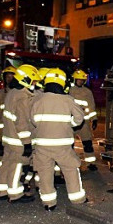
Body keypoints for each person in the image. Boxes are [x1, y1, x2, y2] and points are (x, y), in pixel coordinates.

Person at [31, 68, 87, 210]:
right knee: (70, 170)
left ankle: (49, 203)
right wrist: (70, 124)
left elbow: (33, 120)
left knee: (45, 173)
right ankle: (78, 199)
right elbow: (80, 118)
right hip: (63, 145)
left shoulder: (38, 99)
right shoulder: (68, 100)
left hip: (42, 144)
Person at [0, 64, 40, 202]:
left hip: (9, 137)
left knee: (6, 164)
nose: (34, 84)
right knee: (16, 167)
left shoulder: (12, 93)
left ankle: (3, 191)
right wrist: (27, 143)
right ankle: (15, 194)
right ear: (25, 80)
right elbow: (22, 123)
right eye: (33, 81)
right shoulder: (23, 97)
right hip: (18, 141)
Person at [69, 69, 98, 170]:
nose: (80, 81)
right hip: (71, 123)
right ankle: (70, 163)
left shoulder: (87, 92)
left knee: (88, 144)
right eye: (79, 79)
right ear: (74, 79)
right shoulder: (69, 91)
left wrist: (94, 119)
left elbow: (91, 106)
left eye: (82, 80)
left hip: (84, 123)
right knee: (69, 145)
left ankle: (91, 163)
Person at [0, 66, 16, 172]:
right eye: (7, 76)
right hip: (3, 130)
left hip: (13, 129)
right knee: (1, 152)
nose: (9, 79)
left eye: (11, 76)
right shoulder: (2, 93)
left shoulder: (17, 93)